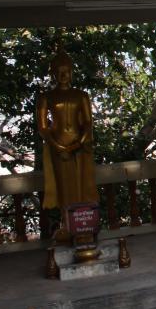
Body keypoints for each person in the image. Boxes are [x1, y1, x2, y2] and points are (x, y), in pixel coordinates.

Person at [36, 46, 99, 230]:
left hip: (79, 145)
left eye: (67, 71)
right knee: (64, 187)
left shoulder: (81, 95)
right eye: (60, 72)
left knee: (81, 185)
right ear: (53, 74)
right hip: (59, 145)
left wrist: (81, 140)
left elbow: (88, 122)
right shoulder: (46, 97)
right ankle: (66, 223)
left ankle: (83, 223)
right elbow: (43, 127)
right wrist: (57, 145)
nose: (64, 75)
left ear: (72, 72)